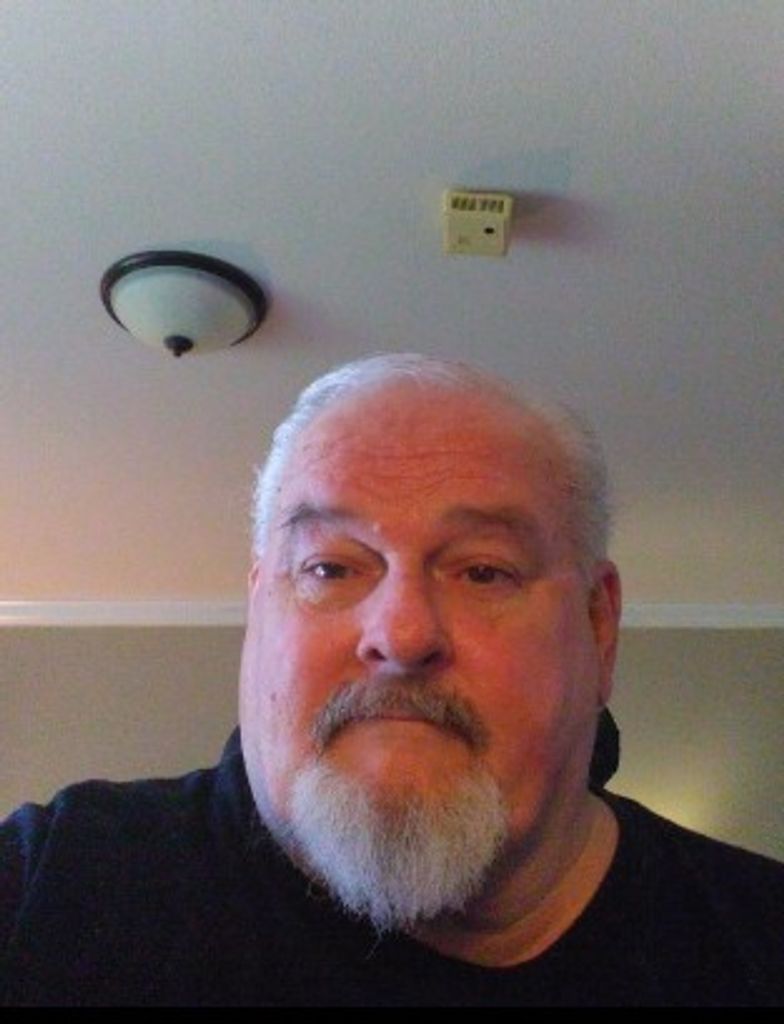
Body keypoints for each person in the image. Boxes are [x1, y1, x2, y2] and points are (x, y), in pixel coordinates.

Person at [1, 352, 782, 1007]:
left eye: (483, 571)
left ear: (598, 625)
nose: (402, 635)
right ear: (259, 609)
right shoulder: (48, 888)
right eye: (330, 568)